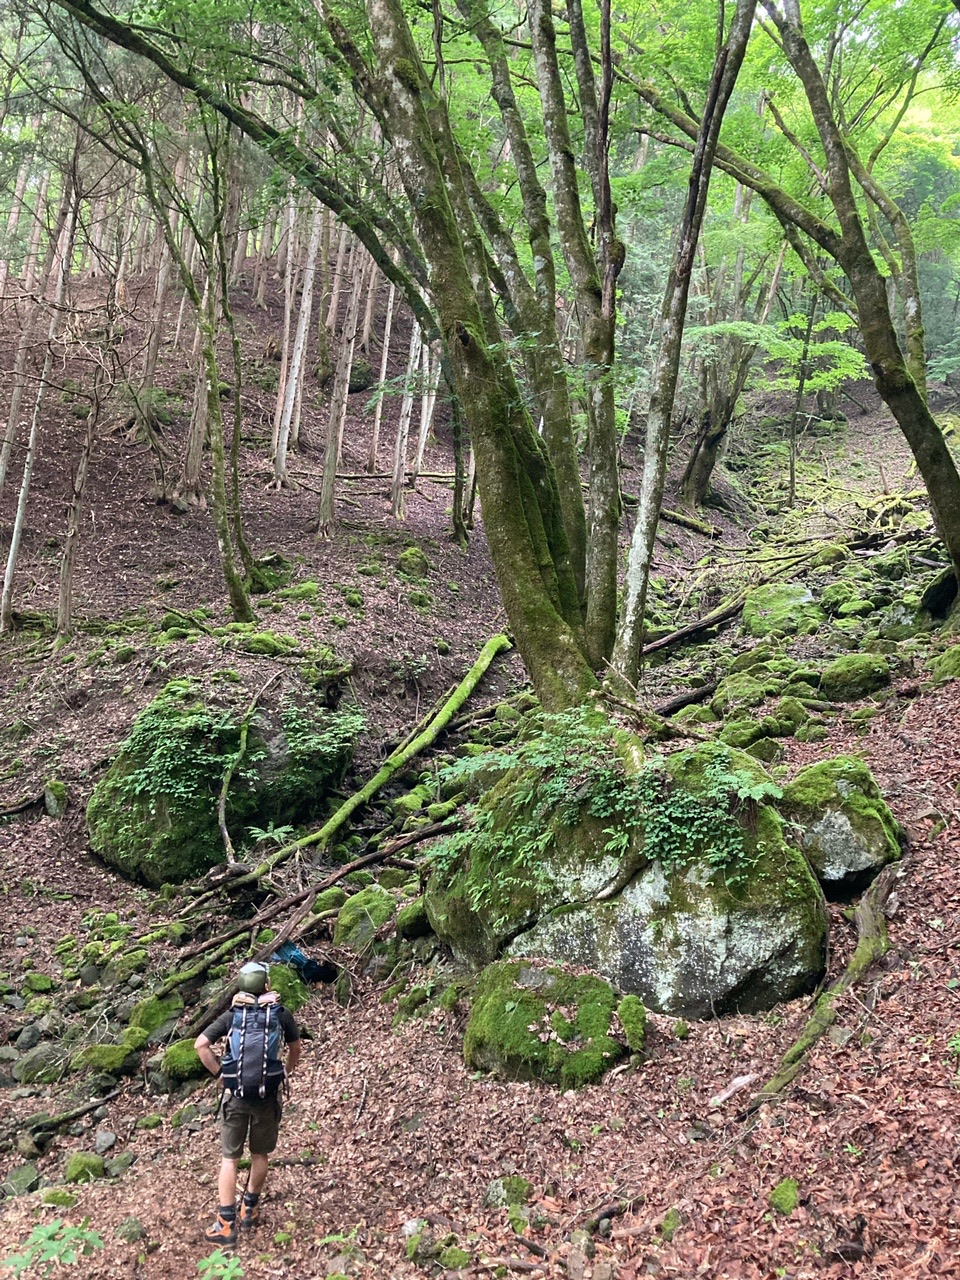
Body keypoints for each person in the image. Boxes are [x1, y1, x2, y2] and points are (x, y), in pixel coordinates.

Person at [195, 961, 302, 1245]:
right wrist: (285, 1073)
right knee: (260, 1154)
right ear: (266, 985)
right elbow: (295, 1048)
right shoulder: (280, 1014)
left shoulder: (232, 1016)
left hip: (236, 1095)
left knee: (230, 1159)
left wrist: (221, 1074)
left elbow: (200, 1046)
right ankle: (250, 1208)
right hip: (268, 1095)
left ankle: (225, 1223)